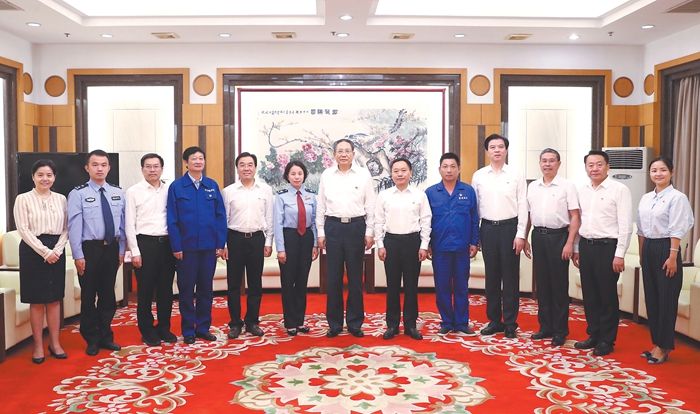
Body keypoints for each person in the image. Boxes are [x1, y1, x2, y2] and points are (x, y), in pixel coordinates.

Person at [572, 150, 632, 356]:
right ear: (586, 168)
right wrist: (577, 248)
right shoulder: (582, 190)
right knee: (589, 294)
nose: (595, 168)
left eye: (599, 164)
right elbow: (579, 221)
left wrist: (620, 253)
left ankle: (607, 340)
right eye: (590, 165)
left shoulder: (619, 189)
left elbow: (625, 225)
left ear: (608, 167)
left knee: (607, 295)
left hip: (608, 247)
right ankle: (594, 334)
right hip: (586, 246)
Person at [67, 150, 125, 356]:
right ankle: (91, 338)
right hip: (89, 250)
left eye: (103, 165)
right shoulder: (78, 194)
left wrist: (121, 250)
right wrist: (78, 255)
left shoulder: (118, 192)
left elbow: (122, 225)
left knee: (108, 295)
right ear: (87, 168)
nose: (99, 168)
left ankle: (105, 336)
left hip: (111, 249)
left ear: (109, 167)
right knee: (89, 295)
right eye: (95, 164)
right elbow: (74, 227)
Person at [167, 146, 227, 344]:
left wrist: (220, 243)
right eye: (194, 159)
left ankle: (202, 328)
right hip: (186, 249)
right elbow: (172, 219)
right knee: (186, 291)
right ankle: (188, 330)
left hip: (209, 248)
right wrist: (176, 246)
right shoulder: (177, 187)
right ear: (186, 163)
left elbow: (220, 216)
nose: (198, 161)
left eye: (201, 158)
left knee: (205, 290)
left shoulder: (212, 185)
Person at [316, 138, 376, 338]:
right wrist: (321, 232)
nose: (343, 154)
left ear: (353, 154)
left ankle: (354, 322)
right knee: (333, 278)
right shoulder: (327, 175)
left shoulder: (363, 175)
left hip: (356, 227)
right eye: (339, 151)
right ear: (334, 154)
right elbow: (321, 205)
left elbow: (370, 205)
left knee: (355, 278)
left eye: (347, 151)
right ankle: (334, 324)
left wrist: (369, 232)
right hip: (332, 227)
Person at [637, 156, 693, 364]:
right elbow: (641, 229)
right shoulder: (646, 198)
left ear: (671, 172)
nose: (658, 174)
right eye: (654, 170)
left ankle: (664, 346)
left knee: (666, 299)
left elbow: (677, 229)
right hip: (649, 247)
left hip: (667, 248)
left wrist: (672, 256)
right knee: (652, 298)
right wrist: (642, 254)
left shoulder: (677, 198)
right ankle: (657, 343)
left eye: (662, 170)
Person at [472, 134, 528, 338]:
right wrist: (475, 236)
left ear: (506, 150)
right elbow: (475, 208)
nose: (497, 150)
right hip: (487, 229)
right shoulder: (479, 176)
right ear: (487, 151)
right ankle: (494, 320)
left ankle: (511, 322)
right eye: (493, 147)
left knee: (510, 277)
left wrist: (521, 234)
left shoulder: (516, 174)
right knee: (492, 277)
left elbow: (523, 205)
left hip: (510, 229)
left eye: (501, 146)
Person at [13, 159, 69, 363]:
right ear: (33, 177)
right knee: (36, 301)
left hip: (57, 250)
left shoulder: (61, 199)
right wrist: (45, 252)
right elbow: (23, 229)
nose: (45, 178)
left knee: (54, 299)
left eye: (49, 175)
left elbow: (67, 227)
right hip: (32, 251)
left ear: (54, 177)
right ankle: (38, 346)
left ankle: (55, 343)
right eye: (40, 175)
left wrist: (58, 250)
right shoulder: (23, 199)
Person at [524, 148, 580, 346]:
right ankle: (545, 327)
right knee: (542, 284)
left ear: (559, 163)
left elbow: (575, 216)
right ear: (540, 163)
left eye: (551, 161)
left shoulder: (567, 186)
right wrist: (525, 237)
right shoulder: (533, 186)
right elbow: (528, 215)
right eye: (544, 161)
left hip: (559, 237)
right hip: (538, 236)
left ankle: (560, 330)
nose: (547, 164)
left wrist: (570, 243)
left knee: (558, 285)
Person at [376, 158, 432, 340]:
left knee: (411, 286)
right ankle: (392, 325)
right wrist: (380, 245)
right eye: (396, 171)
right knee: (392, 285)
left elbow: (426, 221)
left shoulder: (419, 195)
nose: (399, 174)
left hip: (412, 242)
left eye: (403, 170)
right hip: (391, 242)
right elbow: (378, 222)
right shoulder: (384, 195)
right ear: (391, 174)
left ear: (410, 173)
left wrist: (424, 245)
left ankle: (410, 325)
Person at [125, 153, 177, 347]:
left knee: (165, 290)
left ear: (162, 169)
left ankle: (164, 327)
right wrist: (135, 251)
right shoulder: (133, 192)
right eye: (148, 166)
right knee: (145, 291)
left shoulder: (169, 189)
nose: (152, 170)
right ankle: (147, 331)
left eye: (156, 166)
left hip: (167, 245)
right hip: (145, 244)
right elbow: (129, 223)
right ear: (142, 169)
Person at [426, 152, 480, 336]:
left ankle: (462, 322)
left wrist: (474, 242)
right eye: (445, 167)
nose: (449, 170)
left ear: (459, 169)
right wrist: (427, 244)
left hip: (462, 247)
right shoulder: (431, 193)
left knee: (461, 286)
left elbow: (474, 218)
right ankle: (447, 321)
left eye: (452, 166)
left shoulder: (468, 191)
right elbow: (425, 221)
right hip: (440, 247)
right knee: (442, 286)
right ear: (439, 169)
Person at [222, 152, 273, 339]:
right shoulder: (228, 191)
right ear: (237, 168)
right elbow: (223, 219)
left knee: (255, 284)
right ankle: (235, 323)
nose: (246, 168)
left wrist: (268, 242)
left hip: (257, 239)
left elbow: (269, 218)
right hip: (234, 239)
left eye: (250, 164)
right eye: (242, 165)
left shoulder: (265, 190)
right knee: (234, 284)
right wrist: (224, 244)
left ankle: (252, 321)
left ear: (255, 167)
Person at [273, 160, 319, 336]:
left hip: (306, 238)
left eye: (300, 173)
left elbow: (314, 222)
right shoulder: (281, 196)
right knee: (288, 281)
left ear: (304, 175)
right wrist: (280, 249)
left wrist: (314, 244)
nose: (297, 177)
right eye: (293, 174)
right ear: (287, 176)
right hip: (289, 237)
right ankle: (290, 322)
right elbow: (277, 223)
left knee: (301, 281)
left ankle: (299, 321)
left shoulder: (311, 196)